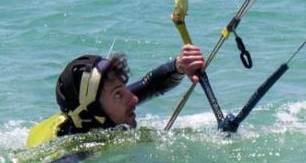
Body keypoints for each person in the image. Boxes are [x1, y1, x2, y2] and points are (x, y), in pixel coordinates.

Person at [26, 44, 206, 147]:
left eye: (124, 89)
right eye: (118, 94)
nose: (134, 98)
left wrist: (179, 66)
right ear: (93, 112)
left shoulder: (90, 115)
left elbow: (148, 85)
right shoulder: (75, 150)